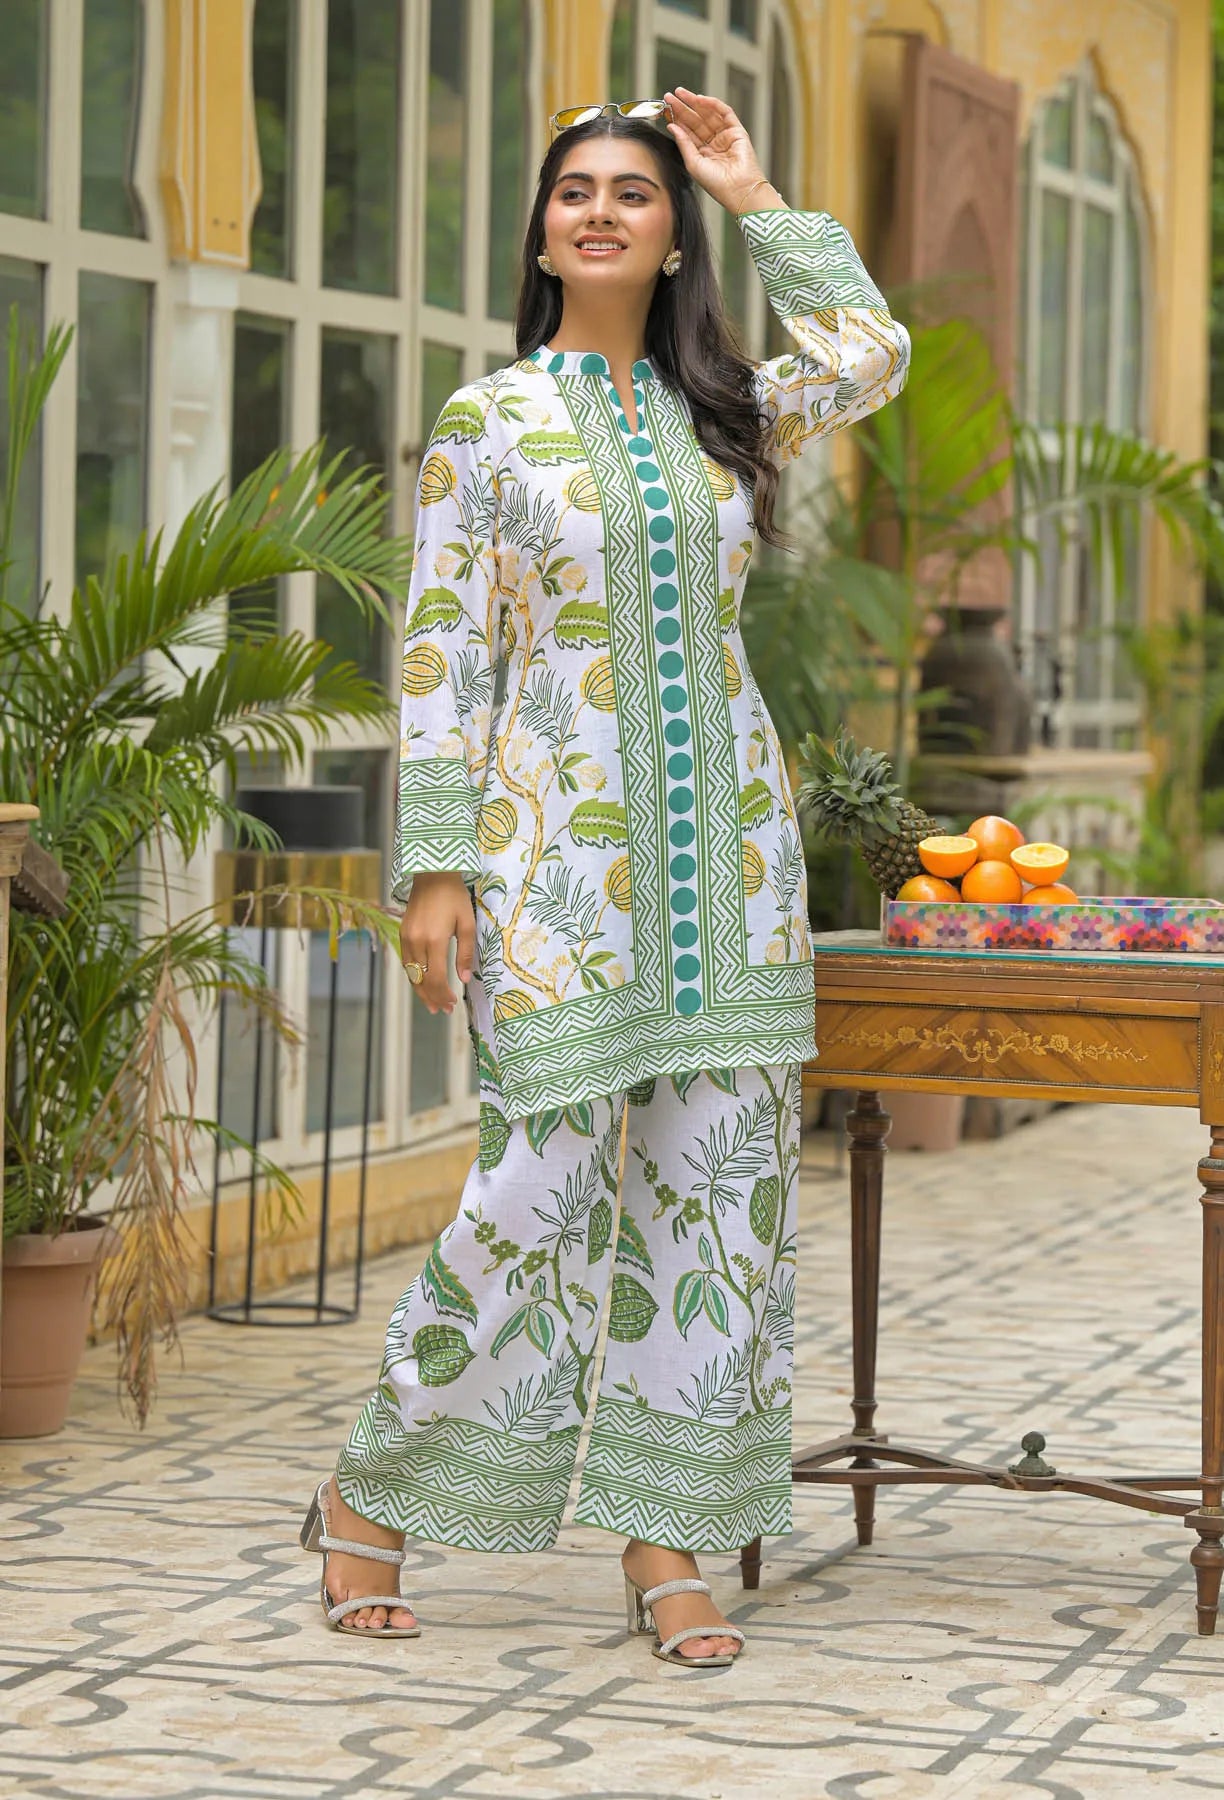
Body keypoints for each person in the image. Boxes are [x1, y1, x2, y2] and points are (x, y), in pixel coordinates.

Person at [300, 87, 909, 1667]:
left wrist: (756, 181)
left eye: (633, 193)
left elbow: (870, 354)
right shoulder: (486, 422)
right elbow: (438, 650)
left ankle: (667, 1541)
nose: (599, 211)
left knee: (721, 1205)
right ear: (544, 228)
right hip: (551, 863)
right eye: (575, 190)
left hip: (738, 860)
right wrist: (435, 869)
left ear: (669, 230)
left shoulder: (725, 414)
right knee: (533, 1191)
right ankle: (379, 1494)